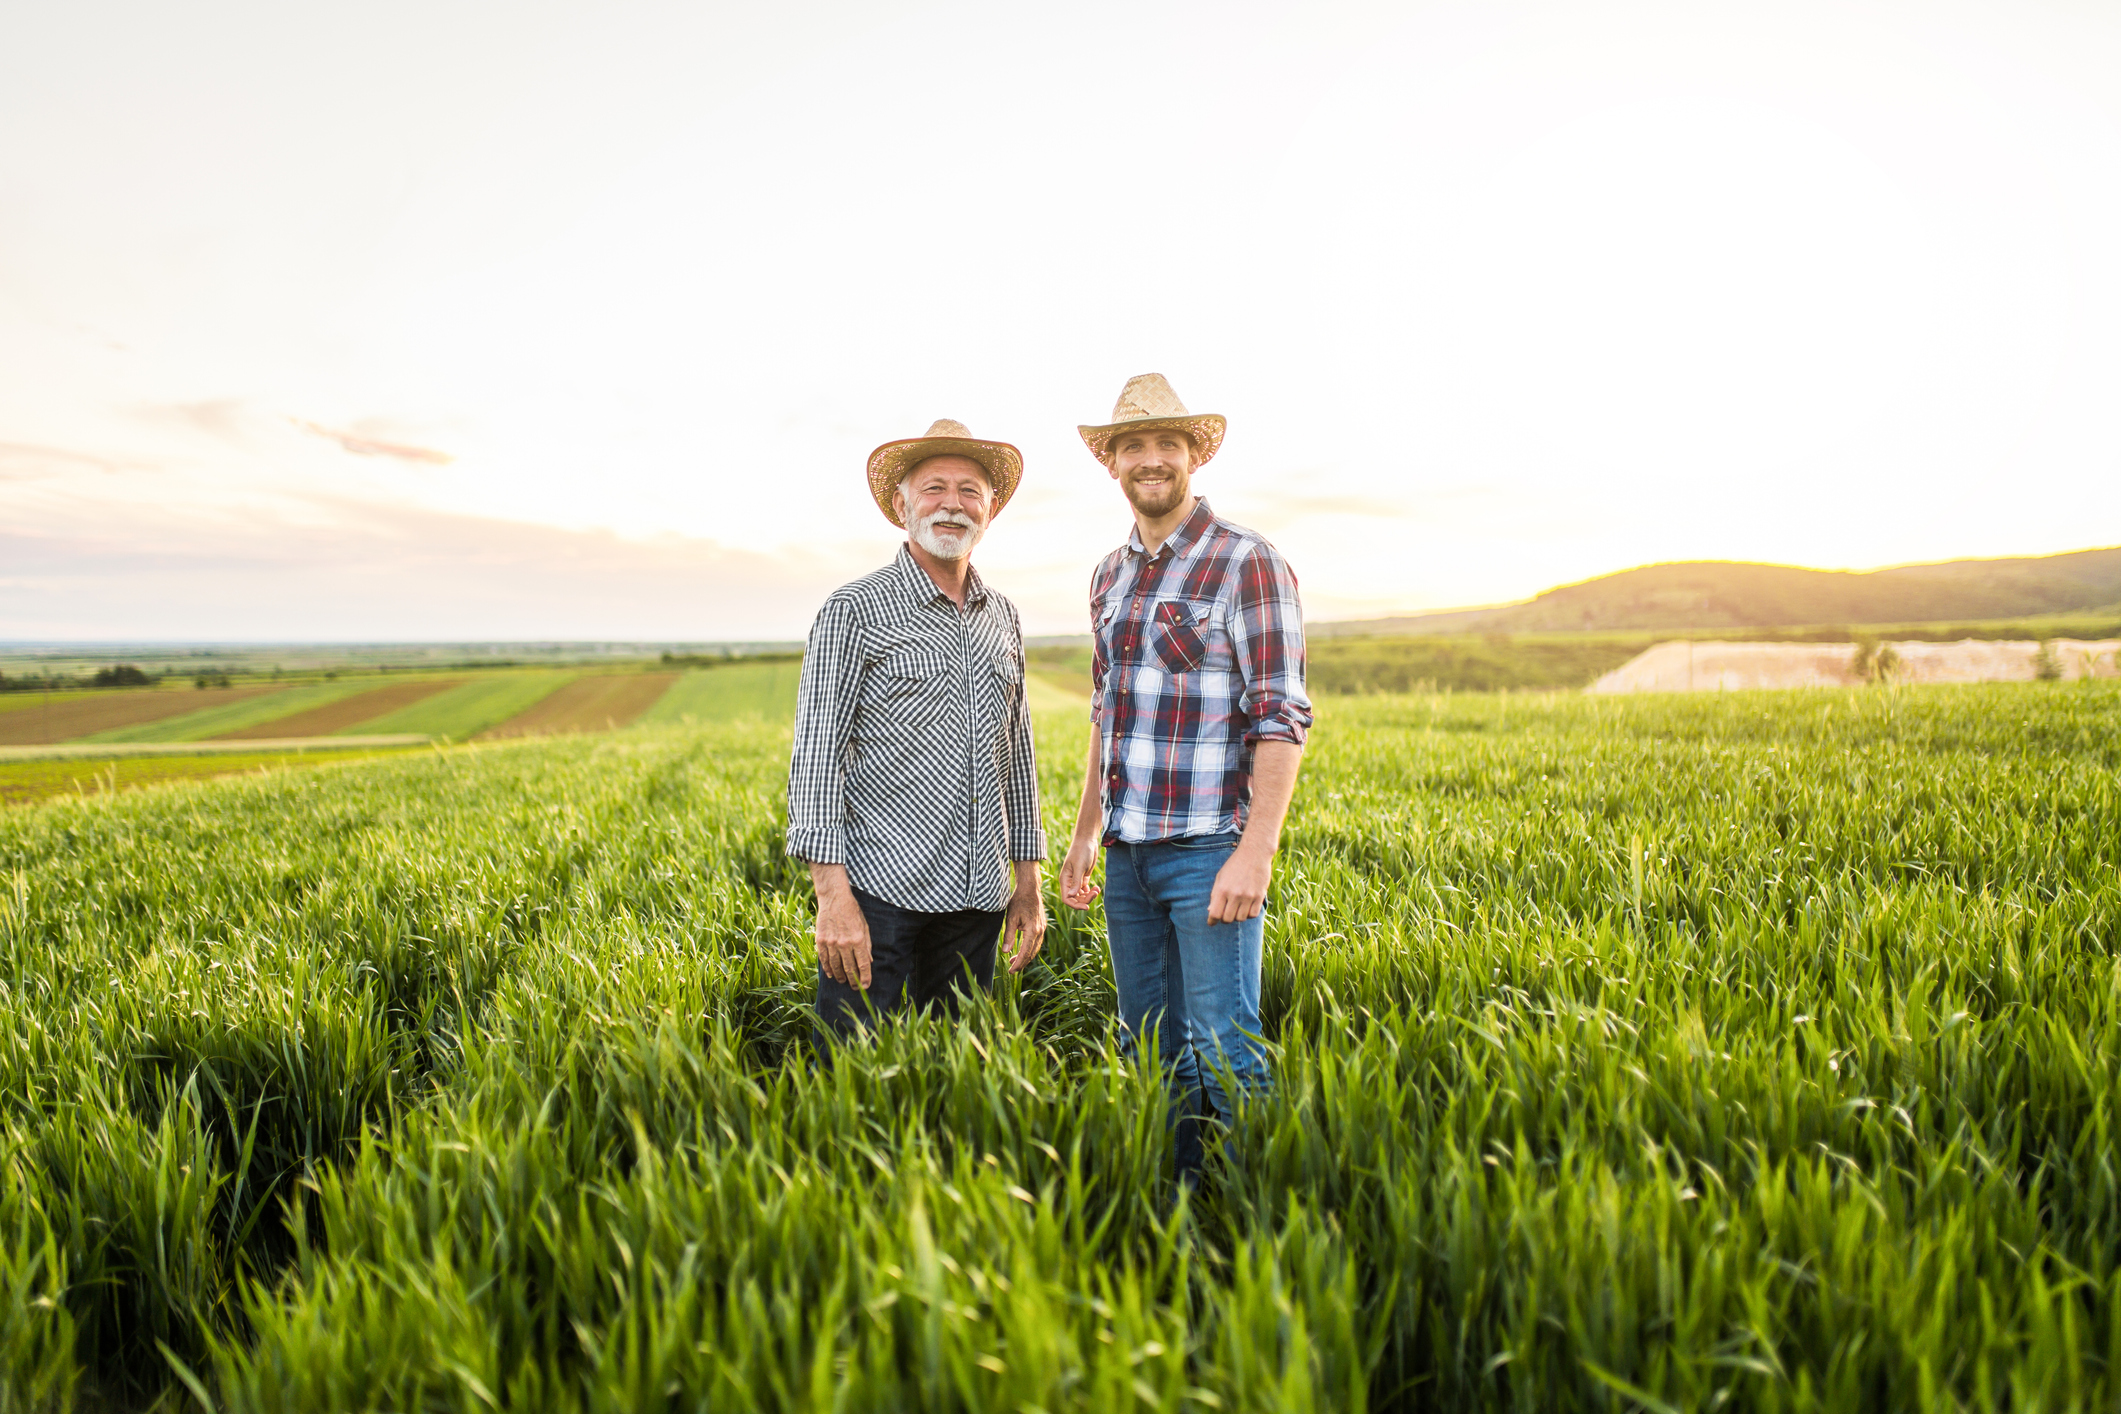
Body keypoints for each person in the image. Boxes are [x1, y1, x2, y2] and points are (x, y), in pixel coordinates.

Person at [1058, 374, 1312, 1185]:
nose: (1150, 459)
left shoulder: (1247, 561)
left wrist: (1255, 852)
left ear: (1193, 455)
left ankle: (1253, 1215)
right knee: (1148, 1047)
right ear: (1111, 463)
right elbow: (1106, 713)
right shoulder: (1108, 575)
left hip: (1208, 849)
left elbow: (1280, 713)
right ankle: (1175, 1199)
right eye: (1132, 445)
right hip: (1127, 856)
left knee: (1223, 1044)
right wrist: (1084, 835)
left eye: (1166, 443)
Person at [787, 419, 1047, 1042]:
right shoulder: (854, 609)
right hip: (878, 895)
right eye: (934, 488)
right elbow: (817, 757)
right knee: (850, 1069)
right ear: (902, 505)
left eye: (969, 491)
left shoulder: (1003, 616)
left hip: (978, 898)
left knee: (959, 1066)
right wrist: (832, 897)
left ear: (989, 510)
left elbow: (1017, 755)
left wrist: (1028, 882)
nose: (952, 504)